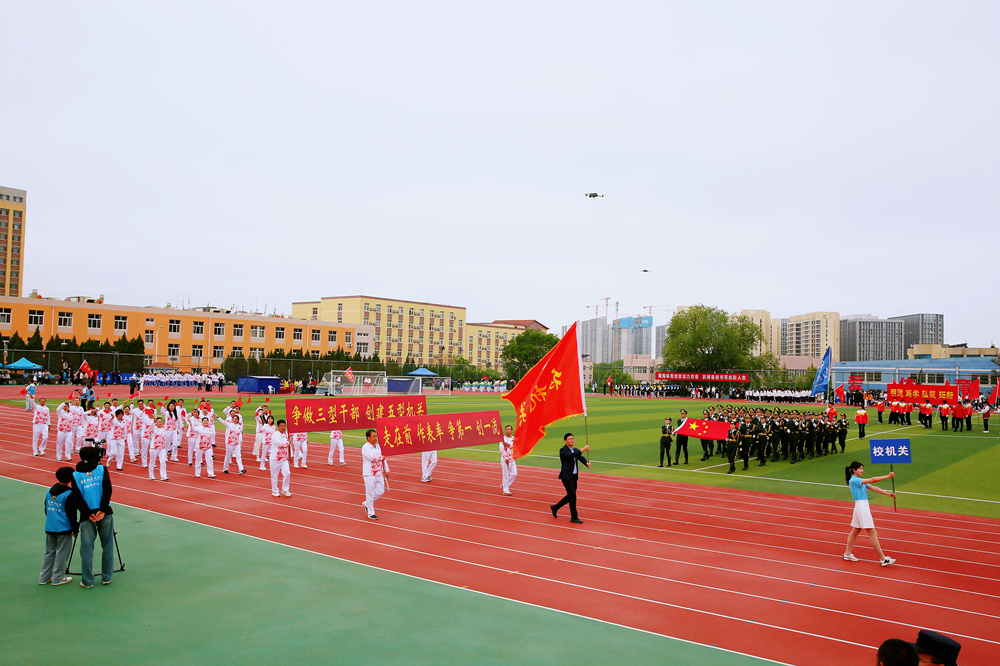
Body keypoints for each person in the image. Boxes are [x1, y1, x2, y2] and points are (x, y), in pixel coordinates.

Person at [71, 446, 116, 587]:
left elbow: (76, 497)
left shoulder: (75, 475)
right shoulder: (101, 469)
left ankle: (87, 581)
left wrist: (88, 513)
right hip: (104, 513)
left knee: (86, 549)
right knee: (107, 545)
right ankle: (106, 577)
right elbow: (107, 489)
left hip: (87, 516)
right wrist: (102, 509)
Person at [843, 461, 897, 567]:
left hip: (861, 507)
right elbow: (873, 479)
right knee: (872, 533)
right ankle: (883, 559)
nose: (862, 470)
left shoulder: (860, 481)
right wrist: (888, 476)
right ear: (854, 470)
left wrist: (888, 494)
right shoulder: (854, 480)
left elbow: (874, 488)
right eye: (860, 468)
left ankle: (847, 554)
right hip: (862, 508)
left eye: (863, 468)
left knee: (855, 531)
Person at [39, 466, 80, 586]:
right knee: (62, 553)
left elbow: (46, 508)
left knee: (49, 552)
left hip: (50, 527)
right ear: (71, 479)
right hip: (63, 528)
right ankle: (58, 577)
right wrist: (75, 529)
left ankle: (44, 577)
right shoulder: (69, 494)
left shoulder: (49, 491)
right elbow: (72, 514)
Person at [550, 433, 590, 524]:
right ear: (565, 441)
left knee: (571, 495)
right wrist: (583, 449)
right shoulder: (563, 450)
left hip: (574, 476)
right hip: (566, 476)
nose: (572, 440)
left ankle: (555, 507)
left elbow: (580, 457)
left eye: (573, 438)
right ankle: (574, 517)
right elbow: (571, 456)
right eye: (570, 439)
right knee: (573, 497)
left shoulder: (575, 450)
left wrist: (586, 463)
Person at [361, 429, 389, 520]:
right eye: (373, 436)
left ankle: (367, 504)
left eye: (376, 436)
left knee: (381, 491)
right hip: (369, 473)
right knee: (370, 493)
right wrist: (381, 457)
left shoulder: (378, 446)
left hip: (379, 472)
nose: (375, 438)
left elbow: (383, 459)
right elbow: (372, 458)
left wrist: (386, 470)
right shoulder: (365, 447)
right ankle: (371, 513)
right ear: (368, 437)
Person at [268, 419, 292, 497]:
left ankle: (285, 489)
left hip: (284, 458)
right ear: (278, 426)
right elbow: (280, 444)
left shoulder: (286, 434)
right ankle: (275, 490)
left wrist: (290, 455)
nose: (283, 427)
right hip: (275, 458)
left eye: (284, 425)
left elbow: (288, 446)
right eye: (281, 425)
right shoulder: (275, 435)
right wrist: (288, 442)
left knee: (287, 473)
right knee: (274, 475)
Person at [148, 417, 169, 481]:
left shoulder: (163, 429)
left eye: (161, 421)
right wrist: (153, 423)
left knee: (163, 461)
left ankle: (163, 476)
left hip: (162, 448)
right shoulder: (154, 429)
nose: (160, 423)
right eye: (158, 422)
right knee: (152, 462)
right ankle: (151, 475)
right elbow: (151, 429)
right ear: (156, 423)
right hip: (154, 447)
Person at [500, 425, 517, 495]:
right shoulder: (502, 439)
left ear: (511, 431)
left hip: (512, 459)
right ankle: (506, 490)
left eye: (509, 429)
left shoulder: (514, 439)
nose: (508, 431)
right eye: (507, 429)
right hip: (505, 460)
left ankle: (504, 484)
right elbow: (502, 450)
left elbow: (515, 447)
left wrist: (509, 445)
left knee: (514, 474)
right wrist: (506, 458)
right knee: (505, 474)